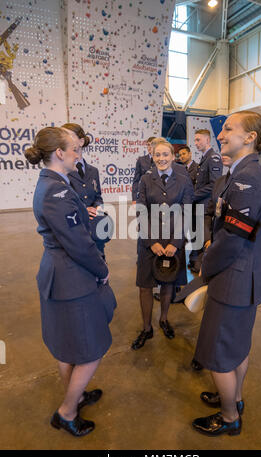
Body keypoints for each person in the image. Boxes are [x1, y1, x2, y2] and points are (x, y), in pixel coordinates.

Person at [24, 127, 116, 437]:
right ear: (60, 153)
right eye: (74, 148)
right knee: (91, 349)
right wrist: (102, 269)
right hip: (71, 278)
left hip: (60, 275)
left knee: (68, 345)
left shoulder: (54, 184)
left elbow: (68, 226)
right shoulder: (57, 191)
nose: (79, 153)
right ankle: (66, 411)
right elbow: (78, 244)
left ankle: (76, 396)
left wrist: (84, 213)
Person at [191, 111, 261, 437]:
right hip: (238, 277)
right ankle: (234, 399)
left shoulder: (247, 178)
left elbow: (233, 237)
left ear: (250, 137)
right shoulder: (234, 174)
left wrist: (204, 268)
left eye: (227, 129)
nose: (220, 134)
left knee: (218, 355)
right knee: (236, 347)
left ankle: (228, 418)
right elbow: (225, 223)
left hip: (233, 278)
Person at [131, 140, 194, 349]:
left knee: (168, 284)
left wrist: (176, 243)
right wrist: (151, 242)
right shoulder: (145, 180)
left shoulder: (184, 180)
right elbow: (141, 211)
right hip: (150, 242)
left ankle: (164, 319)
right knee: (145, 286)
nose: (161, 158)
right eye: (157, 155)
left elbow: (186, 212)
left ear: (173, 156)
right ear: (152, 155)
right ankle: (146, 328)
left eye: (165, 154)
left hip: (172, 241)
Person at [191, 155, 233, 372]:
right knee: (208, 314)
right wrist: (207, 237)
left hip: (226, 260)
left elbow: (235, 236)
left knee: (221, 322)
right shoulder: (220, 182)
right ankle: (203, 355)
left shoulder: (248, 182)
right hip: (212, 248)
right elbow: (209, 213)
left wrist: (209, 257)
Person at [61, 123, 106, 255]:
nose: (64, 139)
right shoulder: (63, 171)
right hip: (75, 229)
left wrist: (98, 208)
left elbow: (98, 197)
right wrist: (84, 210)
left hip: (95, 228)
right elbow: (63, 203)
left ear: (81, 141)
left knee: (99, 261)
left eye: (68, 135)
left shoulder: (93, 171)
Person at [191, 129, 223, 273]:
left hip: (205, 207)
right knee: (198, 238)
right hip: (199, 205)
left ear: (207, 140)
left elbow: (214, 184)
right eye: (195, 140)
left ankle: (206, 271)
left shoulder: (213, 157)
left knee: (206, 241)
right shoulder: (205, 158)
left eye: (199, 140)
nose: (196, 143)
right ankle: (198, 267)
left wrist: (193, 195)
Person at [132, 136, 156, 204]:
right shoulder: (141, 160)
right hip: (143, 195)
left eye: (152, 144)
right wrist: (134, 198)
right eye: (148, 145)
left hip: (157, 195)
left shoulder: (161, 160)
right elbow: (136, 180)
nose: (150, 147)